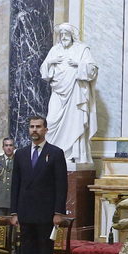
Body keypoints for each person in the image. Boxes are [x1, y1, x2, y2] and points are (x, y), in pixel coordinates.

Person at [10, 116, 67, 254]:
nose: (34, 130)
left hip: (46, 214)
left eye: (38, 127)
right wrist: (14, 212)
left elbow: (61, 186)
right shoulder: (21, 154)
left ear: (45, 130)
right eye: (32, 127)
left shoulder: (56, 153)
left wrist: (59, 212)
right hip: (25, 213)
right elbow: (15, 185)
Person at [39, 23, 98, 164]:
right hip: (58, 92)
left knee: (74, 122)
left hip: (75, 93)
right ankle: (52, 154)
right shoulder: (55, 49)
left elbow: (92, 69)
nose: (64, 37)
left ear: (72, 35)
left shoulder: (81, 49)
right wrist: (50, 62)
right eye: (62, 34)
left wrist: (79, 64)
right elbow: (44, 72)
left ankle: (74, 154)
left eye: (67, 34)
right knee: (52, 119)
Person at [0, 137, 15, 216]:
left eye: (10, 145)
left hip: (13, 201)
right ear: (3, 147)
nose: (8, 148)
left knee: (13, 227)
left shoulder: (19, 161)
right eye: (6, 145)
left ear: (14, 147)